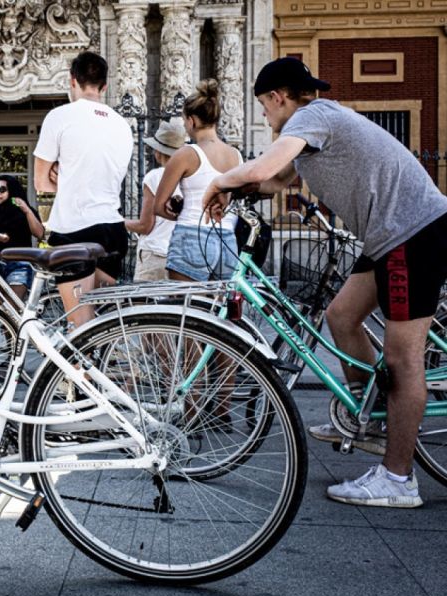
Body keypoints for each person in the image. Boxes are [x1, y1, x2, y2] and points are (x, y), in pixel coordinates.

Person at [203, 56, 447, 507]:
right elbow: (275, 181)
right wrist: (238, 192)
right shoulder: (315, 131)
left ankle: (398, 480)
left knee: (402, 359)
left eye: (263, 106)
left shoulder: (313, 115)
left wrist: (218, 180)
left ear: (278, 97)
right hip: (388, 237)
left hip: (413, 233)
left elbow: (260, 168)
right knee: (342, 315)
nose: (265, 116)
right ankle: (368, 417)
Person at [33, 51, 133, 327]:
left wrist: (60, 175)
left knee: (81, 332)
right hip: (113, 231)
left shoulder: (60, 116)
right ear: (104, 86)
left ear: (72, 80)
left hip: (75, 230)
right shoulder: (122, 125)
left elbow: (42, 183)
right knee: (99, 328)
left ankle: (80, 369)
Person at [157, 79, 242, 282]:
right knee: (218, 310)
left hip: (192, 235)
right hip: (227, 239)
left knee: (184, 307)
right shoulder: (235, 155)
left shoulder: (186, 154)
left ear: (192, 121)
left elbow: (159, 206)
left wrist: (179, 210)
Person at [125, 118, 185, 281]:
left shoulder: (155, 177)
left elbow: (145, 226)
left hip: (155, 253)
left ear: (159, 152)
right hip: (181, 256)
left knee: (144, 304)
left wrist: (119, 222)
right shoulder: (188, 176)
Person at [0, 175, 45, 299]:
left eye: (2, 189)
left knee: (12, 307)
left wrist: (27, 210)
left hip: (19, 263)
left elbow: (39, 234)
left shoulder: (25, 211)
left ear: (13, 191)